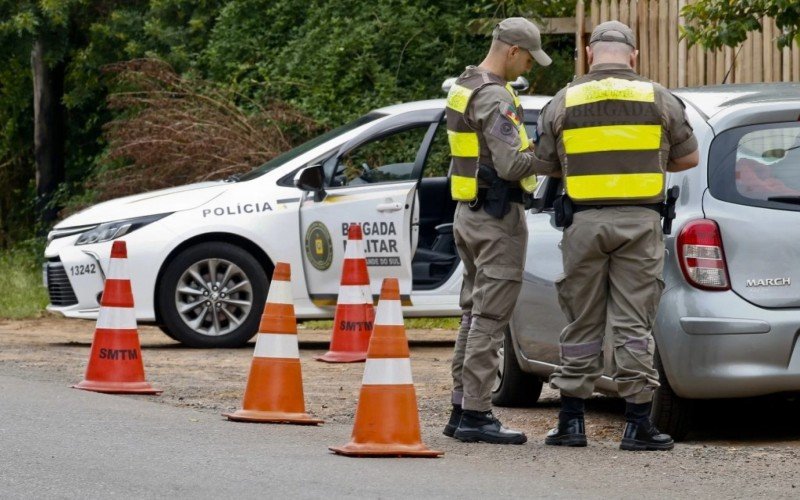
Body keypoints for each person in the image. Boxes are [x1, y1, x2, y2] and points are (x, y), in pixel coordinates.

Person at [532, 20, 699, 451]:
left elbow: (547, 164)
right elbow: (689, 158)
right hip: (640, 223)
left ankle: (570, 423)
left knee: (582, 322)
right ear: (633, 55)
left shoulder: (563, 100)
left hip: (583, 225)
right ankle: (638, 424)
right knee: (633, 323)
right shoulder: (659, 97)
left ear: (590, 53)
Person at [443, 17, 556, 444]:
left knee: (473, 314)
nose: (527, 66)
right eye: (527, 57)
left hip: (469, 214)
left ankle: (461, 408)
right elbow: (511, 164)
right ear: (511, 50)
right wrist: (550, 156)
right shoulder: (494, 96)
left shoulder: (465, 84)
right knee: (489, 318)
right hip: (496, 220)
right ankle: (476, 414)